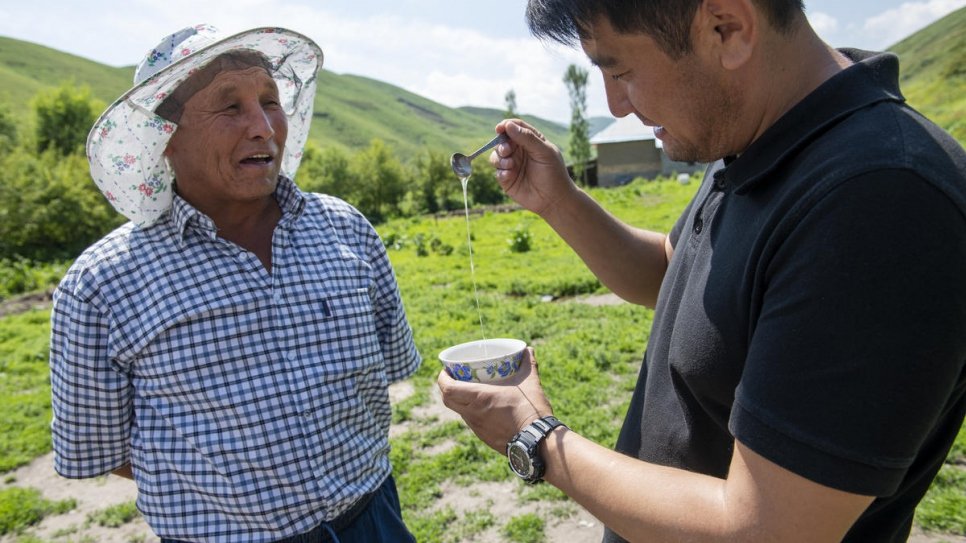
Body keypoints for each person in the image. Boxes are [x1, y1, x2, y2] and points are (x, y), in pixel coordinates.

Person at [437, 1, 966, 541]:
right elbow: (674, 271)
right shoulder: (754, 130)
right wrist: (560, 202)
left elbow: (764, 529)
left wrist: (536, 436)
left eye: (619, 71)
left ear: (726, 27)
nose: (615, 106)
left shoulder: (881, 200)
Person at [49, 24, 421, 543]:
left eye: (270, 101)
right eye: (230, 107)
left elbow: (390, 368)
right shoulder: (102, 284)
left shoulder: (346, 229)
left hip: (373, 518)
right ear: (165, 136)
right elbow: (100, 448)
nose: (264, 127)